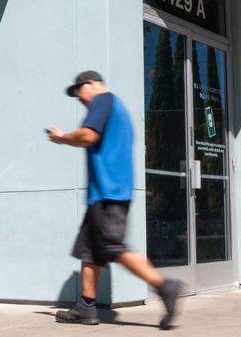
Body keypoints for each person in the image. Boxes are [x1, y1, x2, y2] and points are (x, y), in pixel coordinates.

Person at [48, 70, 182, 329]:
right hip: (104, 193)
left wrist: (62, 138)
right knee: (90, 250)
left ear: (92, 84)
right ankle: (86, 308)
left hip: (109, 192)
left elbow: (88, 136)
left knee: (110, 246)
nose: (79, 98)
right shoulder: (115, 106)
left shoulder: (103, 100)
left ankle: (164, 286)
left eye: (79, 91)